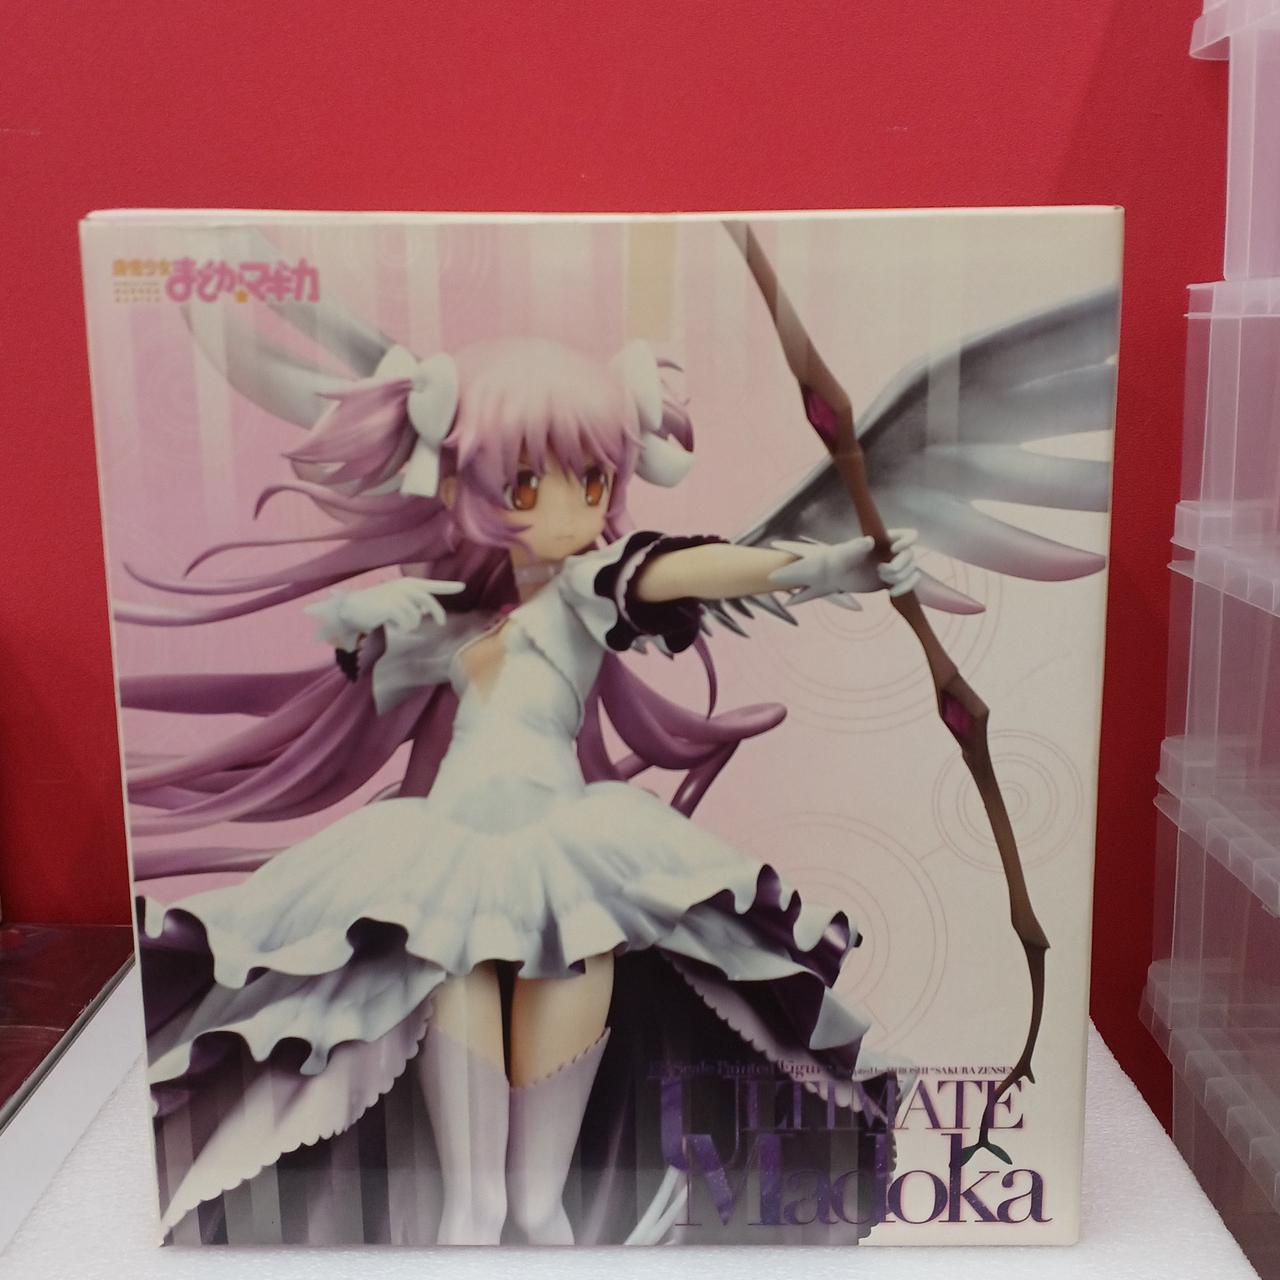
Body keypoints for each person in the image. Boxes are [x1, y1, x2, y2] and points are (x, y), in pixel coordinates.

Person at [129, 334, 916, 1245]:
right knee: (474, 1206)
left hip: (563, 879)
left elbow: (686, 570)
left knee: (539, 1202)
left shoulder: (587, 589)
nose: (572, 507)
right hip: (445, 886)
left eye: (593, 479)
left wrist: (827, 569)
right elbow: (355, 664)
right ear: (468, 487)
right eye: (529, 481)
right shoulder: (453, 626)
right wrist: (356, 616)